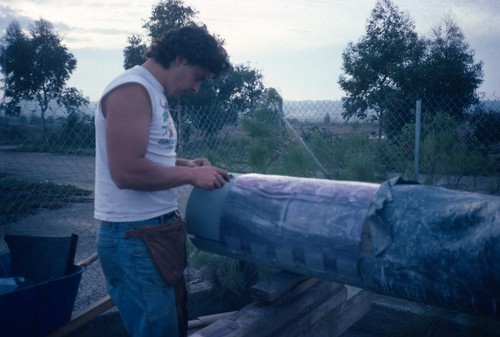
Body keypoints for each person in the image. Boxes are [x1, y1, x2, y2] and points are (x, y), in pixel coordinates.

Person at [94, 25, 231, 337]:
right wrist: (192, 175)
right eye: (199, 76)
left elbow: (146, 156)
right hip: (134, 237)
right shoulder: (132, 90)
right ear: (180, 59)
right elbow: (126, 171)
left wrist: (185, 163)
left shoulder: (152, 91)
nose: (197, 88)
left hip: (151, 233)